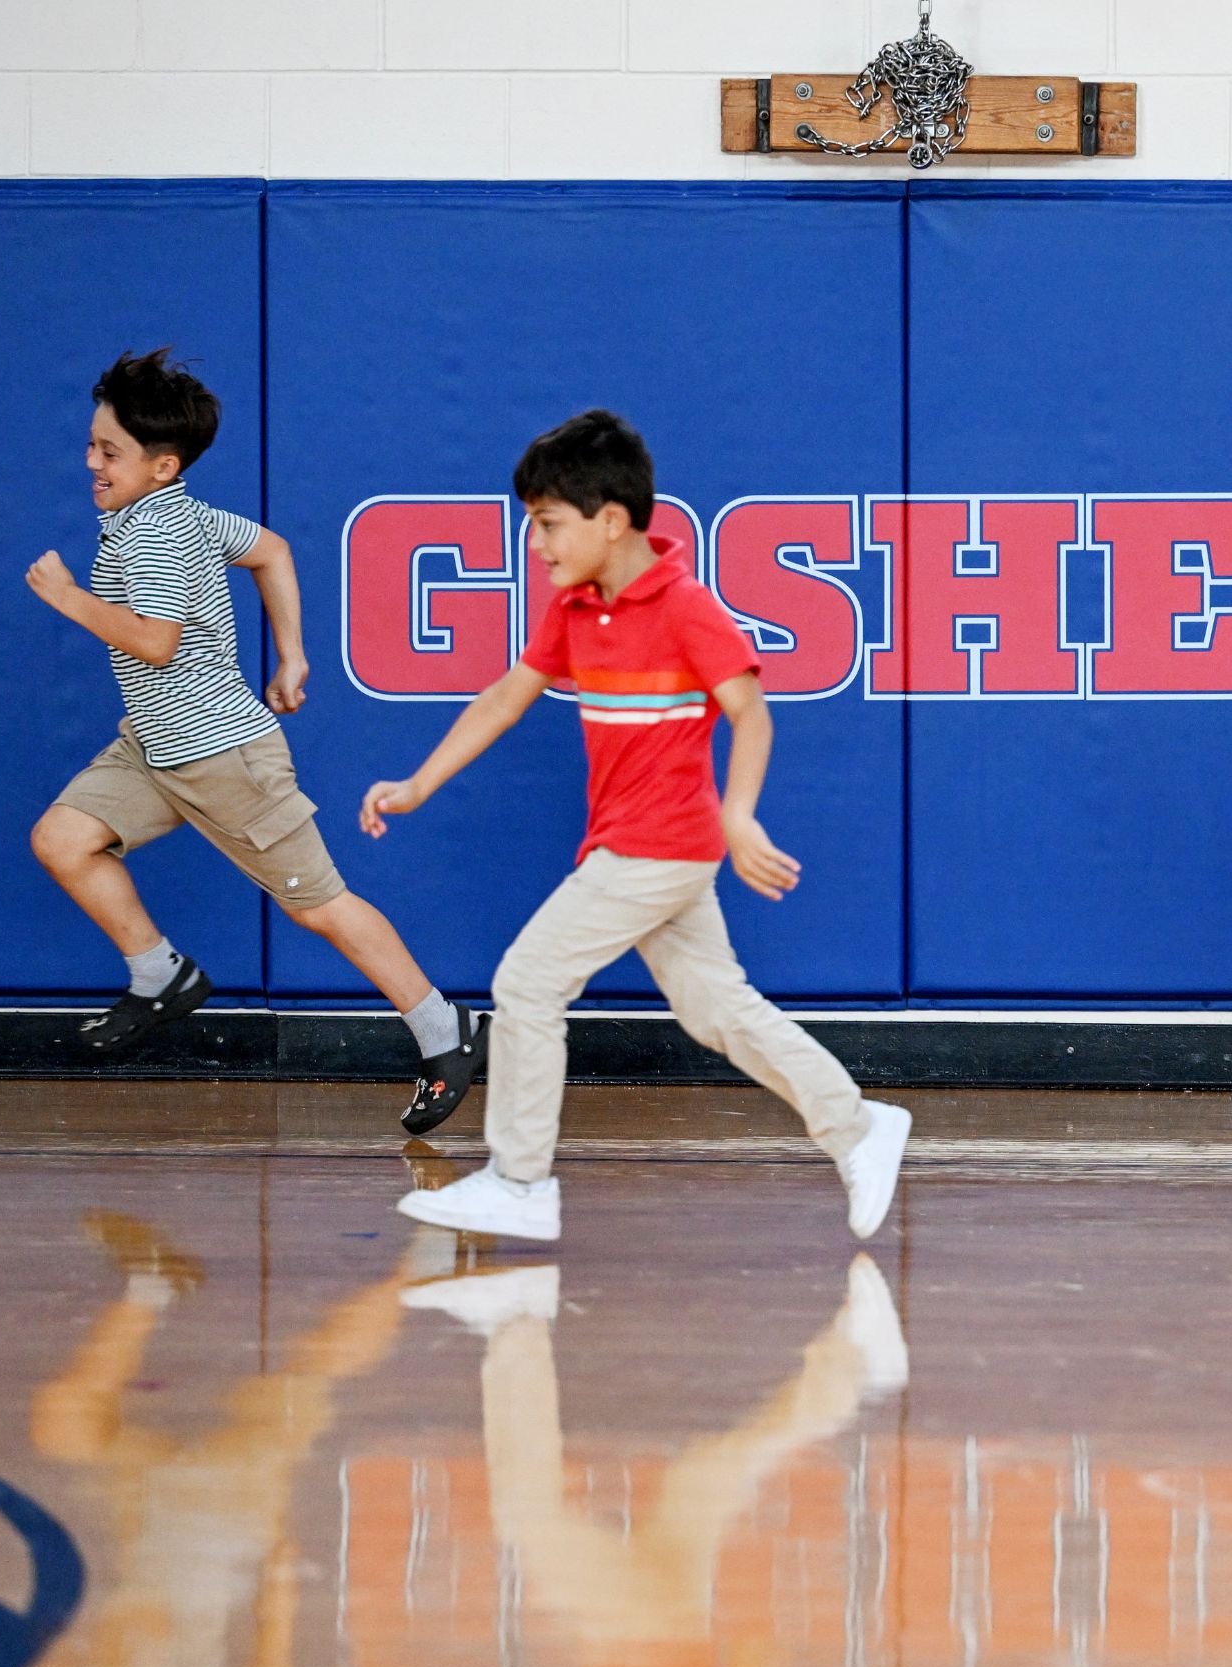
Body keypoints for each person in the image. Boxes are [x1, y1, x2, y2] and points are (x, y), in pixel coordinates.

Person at [362, 409, 908, 1242]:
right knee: (718, 1009)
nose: (536, 545)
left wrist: (740, 817)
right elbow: (508, 696)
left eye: (548, 525)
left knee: (526, 983)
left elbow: (750, 716)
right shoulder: (576, 609)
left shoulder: (687, 608)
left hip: (657, 845)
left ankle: (518, 1181)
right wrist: (419, 784)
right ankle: (857, 1125)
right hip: (647, 848)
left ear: (610, 521)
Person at [28, 348, 482, 1133]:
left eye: (110, 452)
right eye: (94, 444)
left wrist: (68, 599)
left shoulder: (158, 536)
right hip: (155, 746)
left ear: (163, 465)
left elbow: (158, 642)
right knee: (63, 838)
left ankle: (447, 1035)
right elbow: (271, 550)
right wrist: (294, 653)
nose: (91, 462)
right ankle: (158, 974)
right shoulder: (174, 512)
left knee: (323, 908)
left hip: (224, 758)